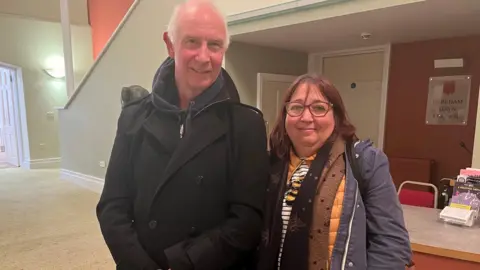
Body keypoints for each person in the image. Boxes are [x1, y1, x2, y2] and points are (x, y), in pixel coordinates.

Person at [96, 1, 269, 269]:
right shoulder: (133, 117)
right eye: (192, 42)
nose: (203, 57)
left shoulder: (248, 124)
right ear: (170, 44)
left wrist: (182, 262)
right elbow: (112, 206)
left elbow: (247, 220)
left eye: (214, 45)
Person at [255, 74, 413, 270]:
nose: (306, 117)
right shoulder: (267, 164)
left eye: (319, 108)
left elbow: (391, 243)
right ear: (285, 115)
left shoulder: (366, 162)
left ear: (336, 116)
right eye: (296, 107)